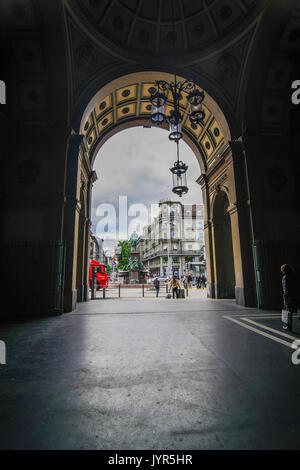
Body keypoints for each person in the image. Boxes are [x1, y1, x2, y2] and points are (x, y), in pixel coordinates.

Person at [281, 264, 296, 331]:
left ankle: (288, 327)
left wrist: (285, 299)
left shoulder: (285, 277)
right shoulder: (296, 276)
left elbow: (286, 289)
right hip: (298, 295)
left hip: (290, 296)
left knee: (289, 312)